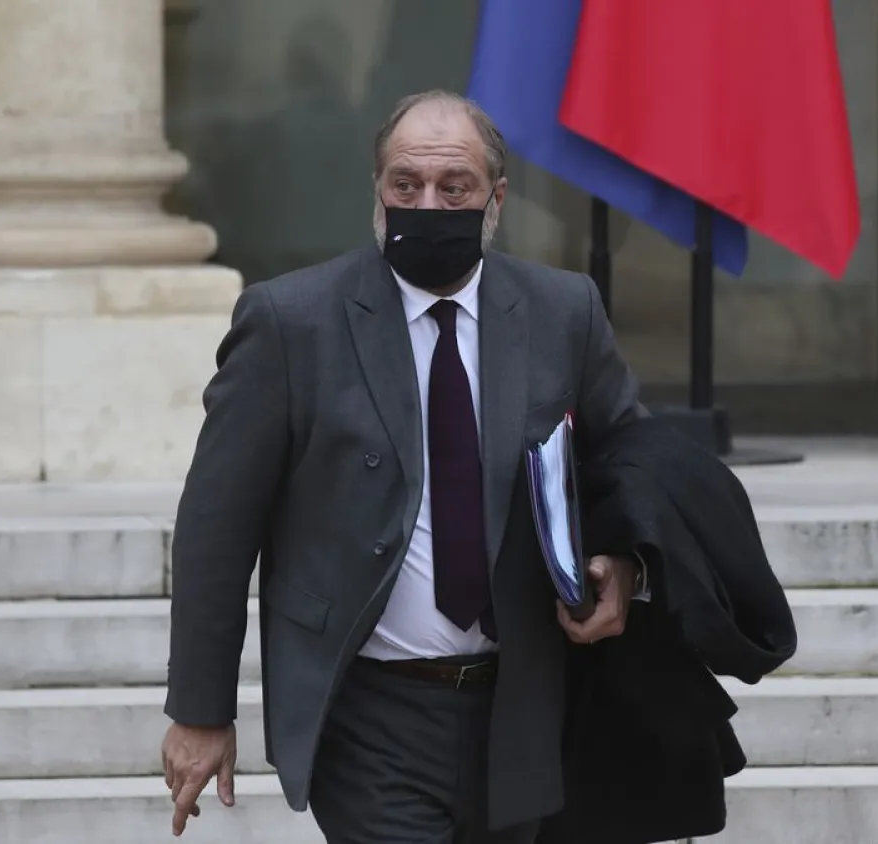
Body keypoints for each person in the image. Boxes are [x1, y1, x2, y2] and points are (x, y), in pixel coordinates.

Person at [161, 88, 648, 843]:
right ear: (378, 191)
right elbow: (216, 527)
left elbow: (629, 462)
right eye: (405, 185)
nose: (427, 204)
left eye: (453, 188)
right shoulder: (292, 323)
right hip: (370, 718)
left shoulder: (563, 311)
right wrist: (200, 710)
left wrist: (623, 561)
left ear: (497, 198)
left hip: (518, 710)